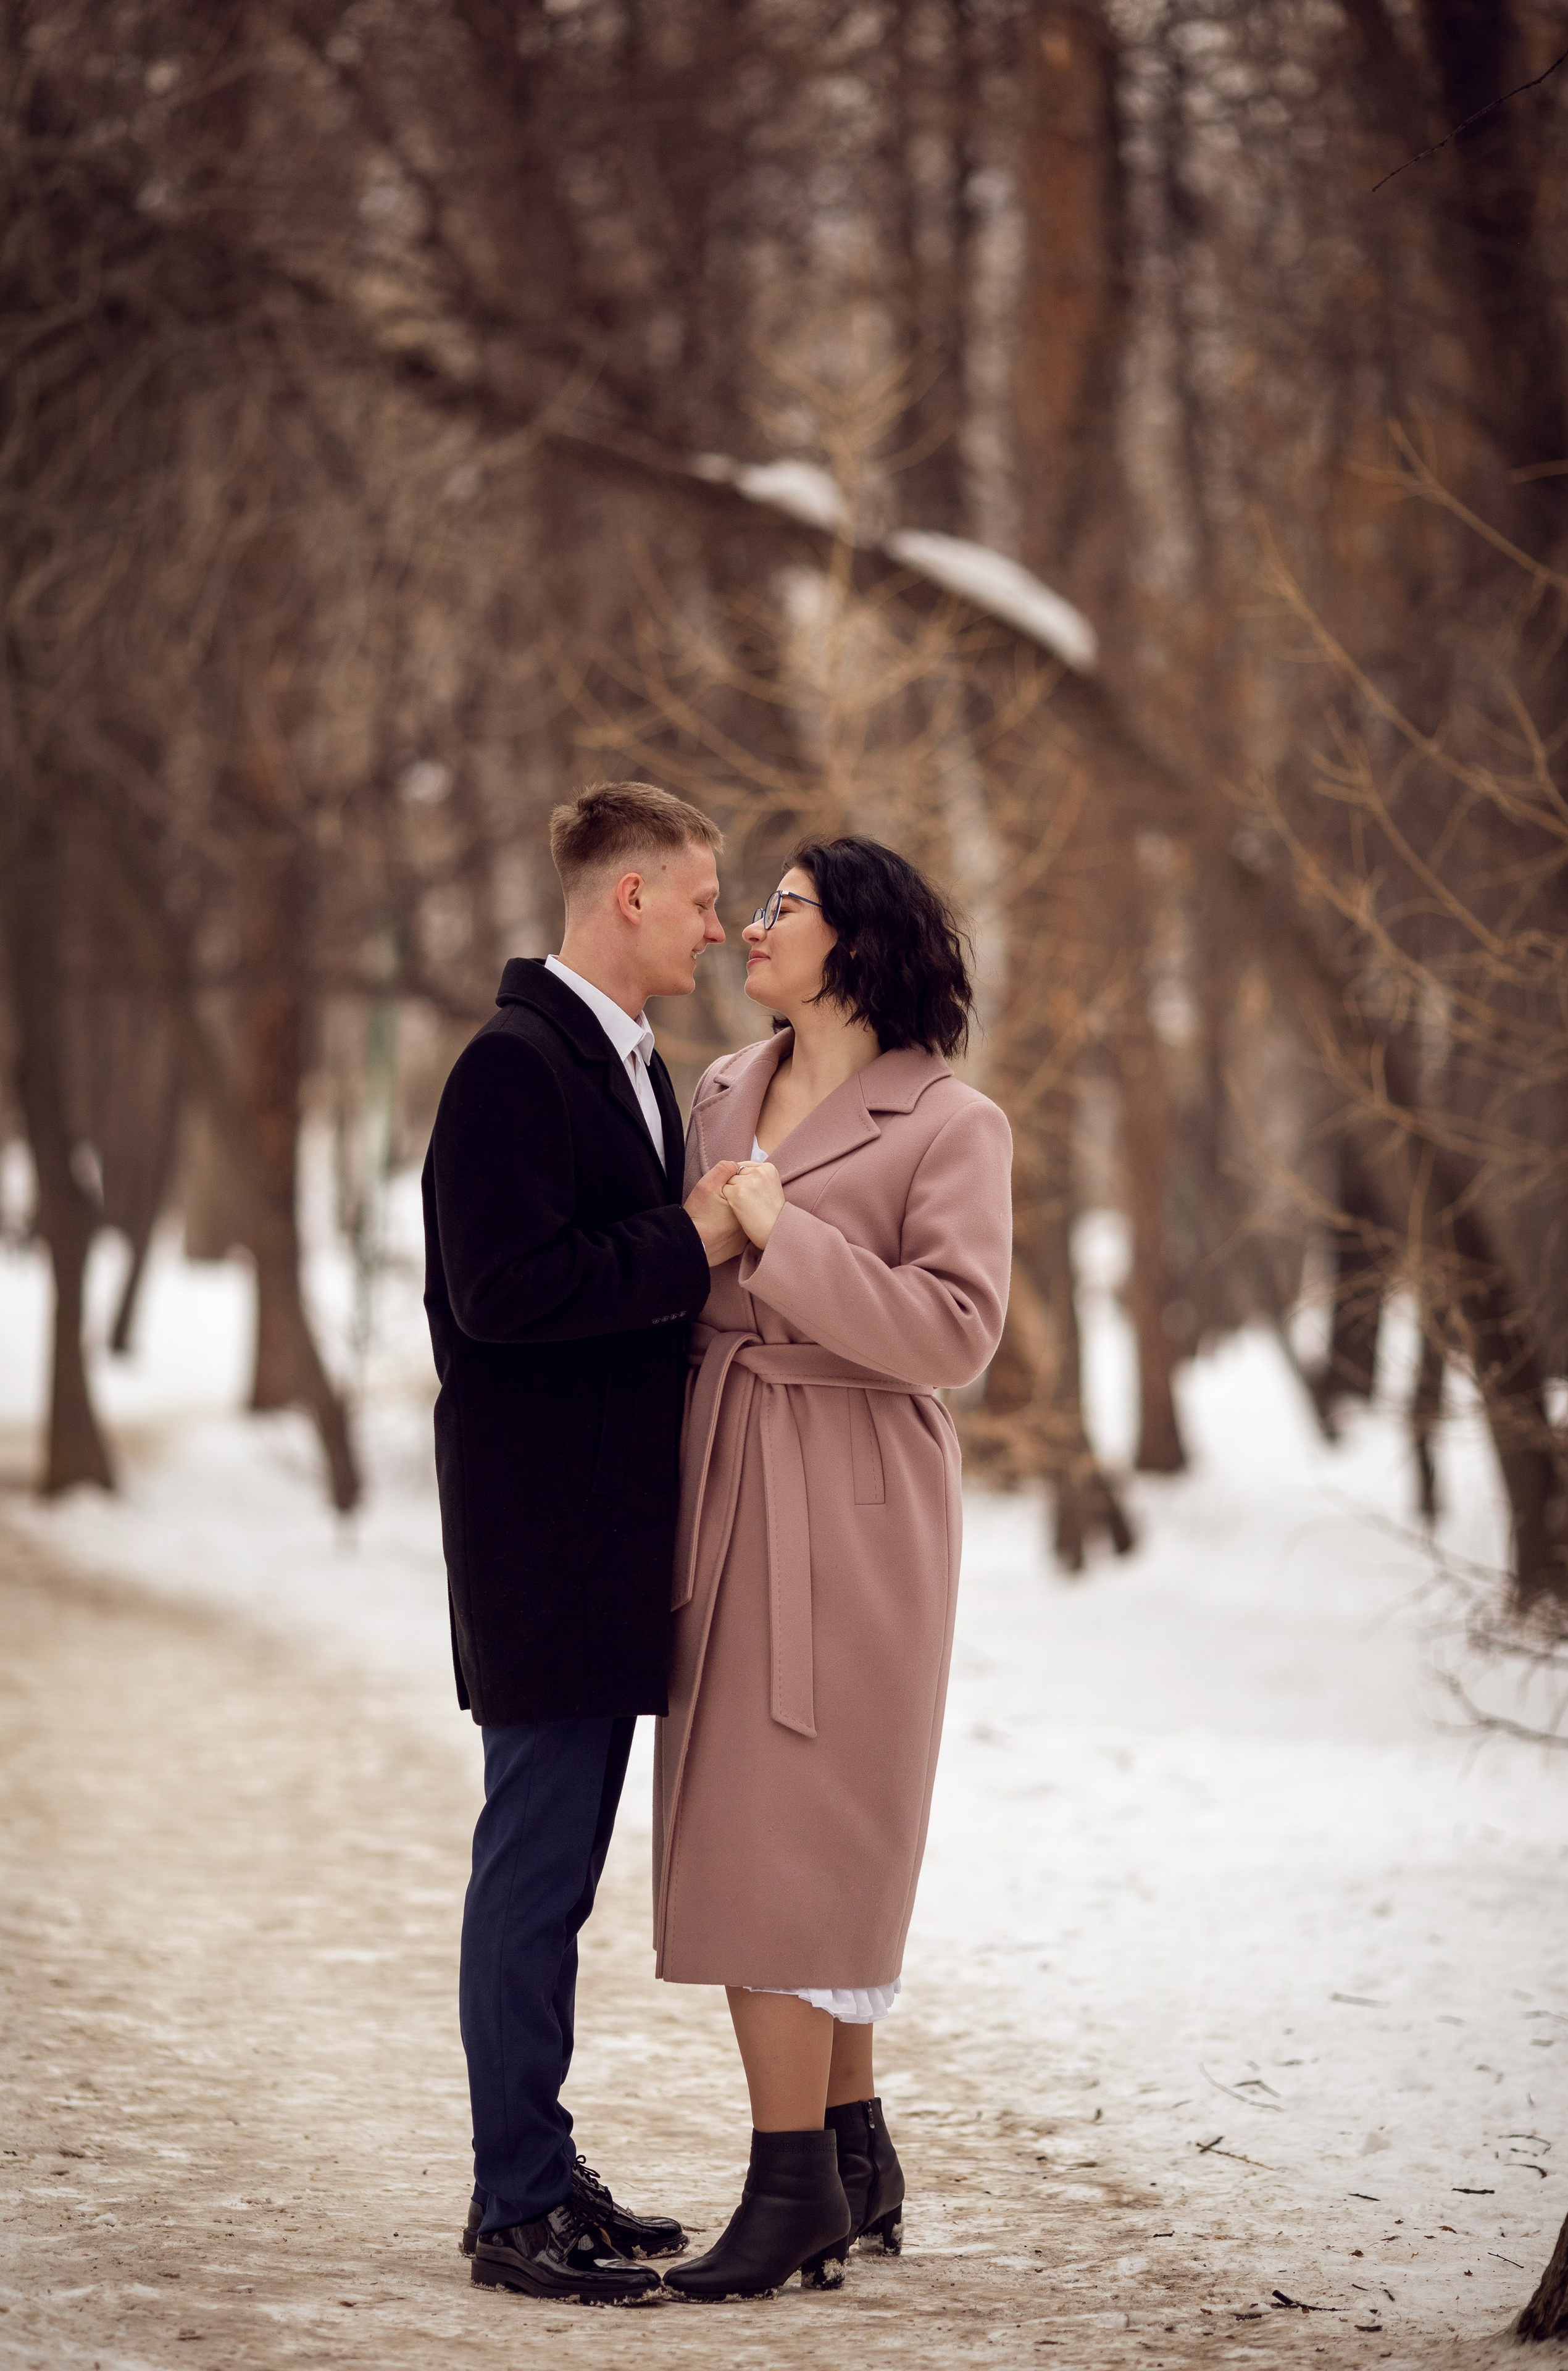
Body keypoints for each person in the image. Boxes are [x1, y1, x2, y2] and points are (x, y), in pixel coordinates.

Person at [654, 835, 1014, 2304]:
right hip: (726, 1470)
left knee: (797, 1827)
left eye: (783, 908)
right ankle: (850, 2148)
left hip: (857, 1499)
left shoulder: (949, 1123)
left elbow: (953, 1334)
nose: (751, 923)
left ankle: (788, 2184)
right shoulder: (722, 1089)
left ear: (854, 941)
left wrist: (781, 1238)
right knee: (771, 1815)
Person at [421, 780, 749, 2307]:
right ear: (629, 896)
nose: (717, 922)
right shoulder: (511, 1064)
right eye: (699, 895)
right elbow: (501, 1292)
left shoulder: (630, 1065)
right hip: (540, 1543)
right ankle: (513, 2208)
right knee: (534, 1872)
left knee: (557, 1880)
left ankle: (540, 2168)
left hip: (603, 1541)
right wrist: (699, 1239)